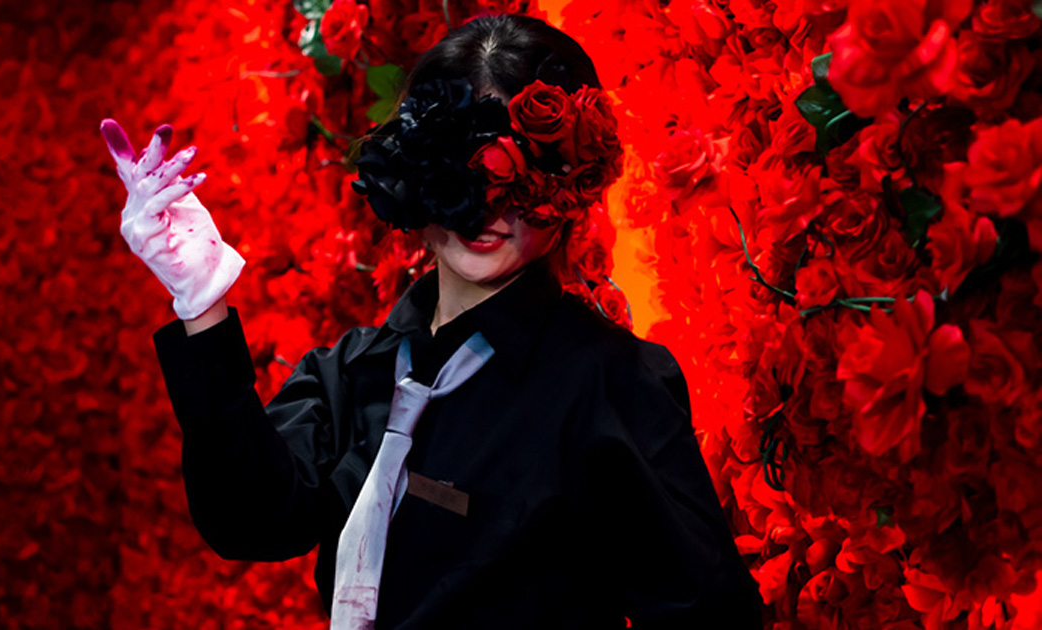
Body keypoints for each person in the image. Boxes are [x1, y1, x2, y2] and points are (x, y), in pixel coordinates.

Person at [102, 13, 761, 629]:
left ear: (569, 183)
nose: (490, 211)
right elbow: (252, 519)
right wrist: (202, 301)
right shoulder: (354, 373)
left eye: (524, 182)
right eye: (461, 177)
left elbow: (708, 614)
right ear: (413, 172)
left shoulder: (611, 384)